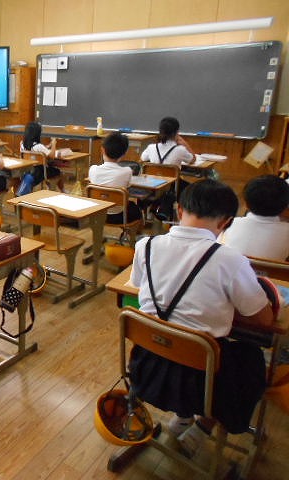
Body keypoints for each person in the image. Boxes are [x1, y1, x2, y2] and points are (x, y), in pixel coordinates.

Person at [129, 179, 274, 458]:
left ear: (179, 208)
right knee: (251, 357)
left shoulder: (145, 245)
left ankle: (183, 417)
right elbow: (263, 320)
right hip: (201, 380)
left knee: (181, 339)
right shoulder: (231, 260)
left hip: (146, 365)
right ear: (227, 222)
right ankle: (203, 425)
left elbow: (137, 284)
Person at [221, 174, 289, 260]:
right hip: (273, 273)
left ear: (246, 204)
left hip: (230, 271)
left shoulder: (228, 224)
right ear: (285, 207)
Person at [89, 132, 142, 224]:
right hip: (118, 215)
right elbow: (128, 187)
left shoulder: (93, 169)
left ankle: (98, 234)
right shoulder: (127, 171)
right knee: (135, 208)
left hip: (97, 213)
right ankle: (133, 235)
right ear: (124, 153)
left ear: (102, 150)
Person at [21, 122, 64, 192]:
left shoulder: (22, 144)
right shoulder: (39, 147)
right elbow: (52, 156)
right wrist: (53, 144)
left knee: (52, 169)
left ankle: (49, 186)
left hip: (27, 170)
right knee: (58, 172)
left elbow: (40, 149)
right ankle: (61, 190)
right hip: (39, 173)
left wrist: (48, 146)